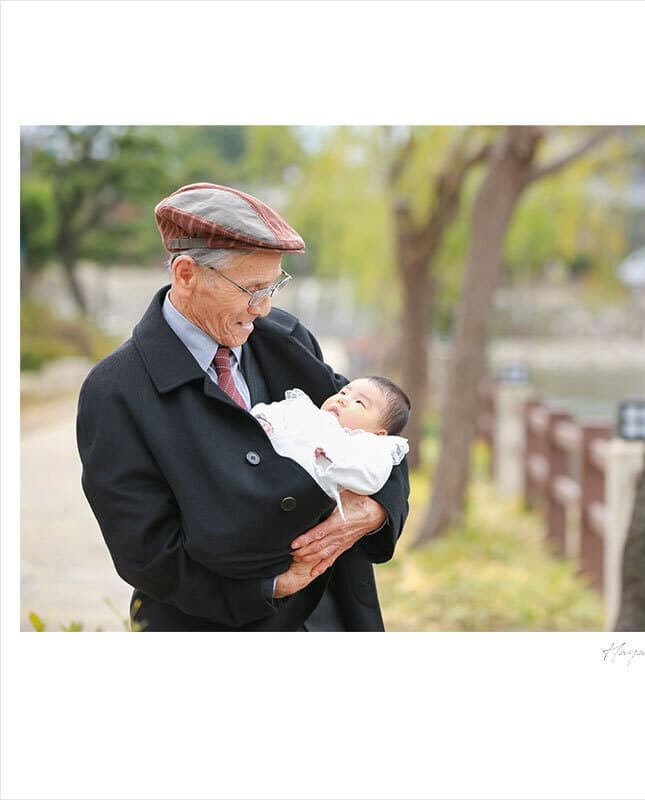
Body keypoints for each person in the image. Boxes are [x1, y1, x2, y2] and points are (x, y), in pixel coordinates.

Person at [76, 182, 410, 631]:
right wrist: (271, 586)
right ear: (187, 275)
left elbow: (375, 431)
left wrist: (376, 511)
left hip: (334, 614)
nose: (265, 306)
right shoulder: (115, 390)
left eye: (273, 286)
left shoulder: (284, 338)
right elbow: (146, 552)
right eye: (251, 288)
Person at [251, 376, 410, 522]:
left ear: (379, 433)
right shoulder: (305, 411)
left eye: (359, 402)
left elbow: (370, 477)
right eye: (343, 392)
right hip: (258, 474)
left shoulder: (365, 446)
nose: (342, 400)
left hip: (296, 507)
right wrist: (265, 420)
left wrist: (334, 461)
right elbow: (273, 410)